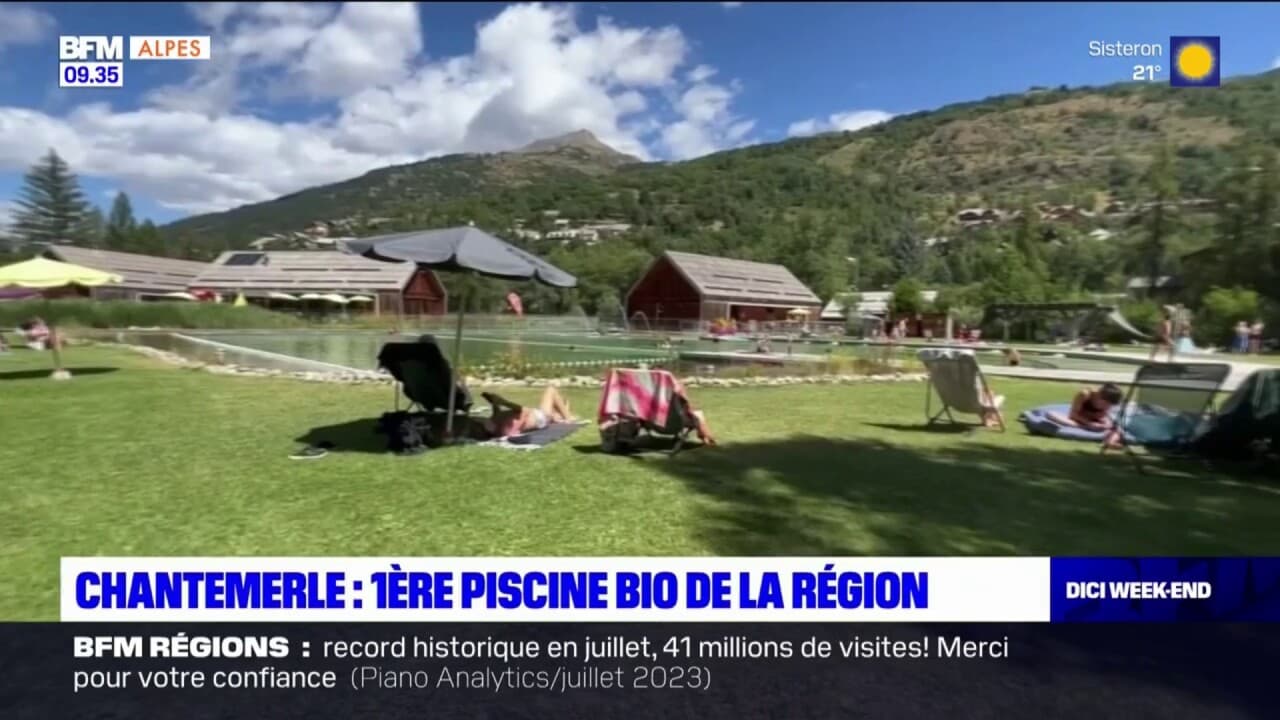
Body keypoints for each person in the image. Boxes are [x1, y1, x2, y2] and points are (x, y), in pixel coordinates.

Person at [481, 387, 577, 438]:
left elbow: (496, 412)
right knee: (551, 390)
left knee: (558, 410)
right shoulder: (508, 430)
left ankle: (562, 412)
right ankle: (568, 417)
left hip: (538, 416)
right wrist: (504, 402)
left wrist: (494, 402)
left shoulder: (498, 423)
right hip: (541, 417)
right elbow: (525, 411)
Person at [1046, 383, 1125, 434]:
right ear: (1100, 395)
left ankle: (1092, 427)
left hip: (1093, 418)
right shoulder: (1085, 394)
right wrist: (1089, 423)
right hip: (1078, 419)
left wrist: (1104, 423)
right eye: (1106, 403)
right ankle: (1085, 427)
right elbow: (1072, 414)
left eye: (1110, 405)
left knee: (1114, 425)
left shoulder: (1109, 403)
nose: (1107, 406)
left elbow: (1103, 415)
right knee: (1050, 414)